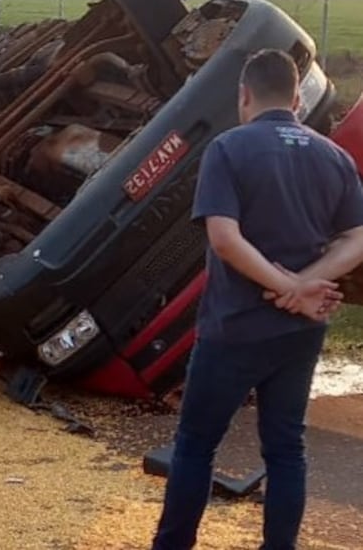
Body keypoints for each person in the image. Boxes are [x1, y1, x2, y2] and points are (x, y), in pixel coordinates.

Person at [151, 49, 363, 550]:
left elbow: (225, 238)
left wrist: (287, 287)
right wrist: (303, 288)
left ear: (244, 96)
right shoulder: (333, 155)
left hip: (234, 329)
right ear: (295, 98)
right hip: (300, 333)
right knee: (286, 450)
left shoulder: (228, 150)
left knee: (196, 448)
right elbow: (357, 238)